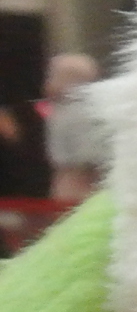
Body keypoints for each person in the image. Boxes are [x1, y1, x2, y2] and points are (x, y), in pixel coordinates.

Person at [39, 53, 108, 204]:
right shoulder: (63, 109)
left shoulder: (79, 112)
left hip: (79, 180)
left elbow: (88, 157)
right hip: (70, 176)